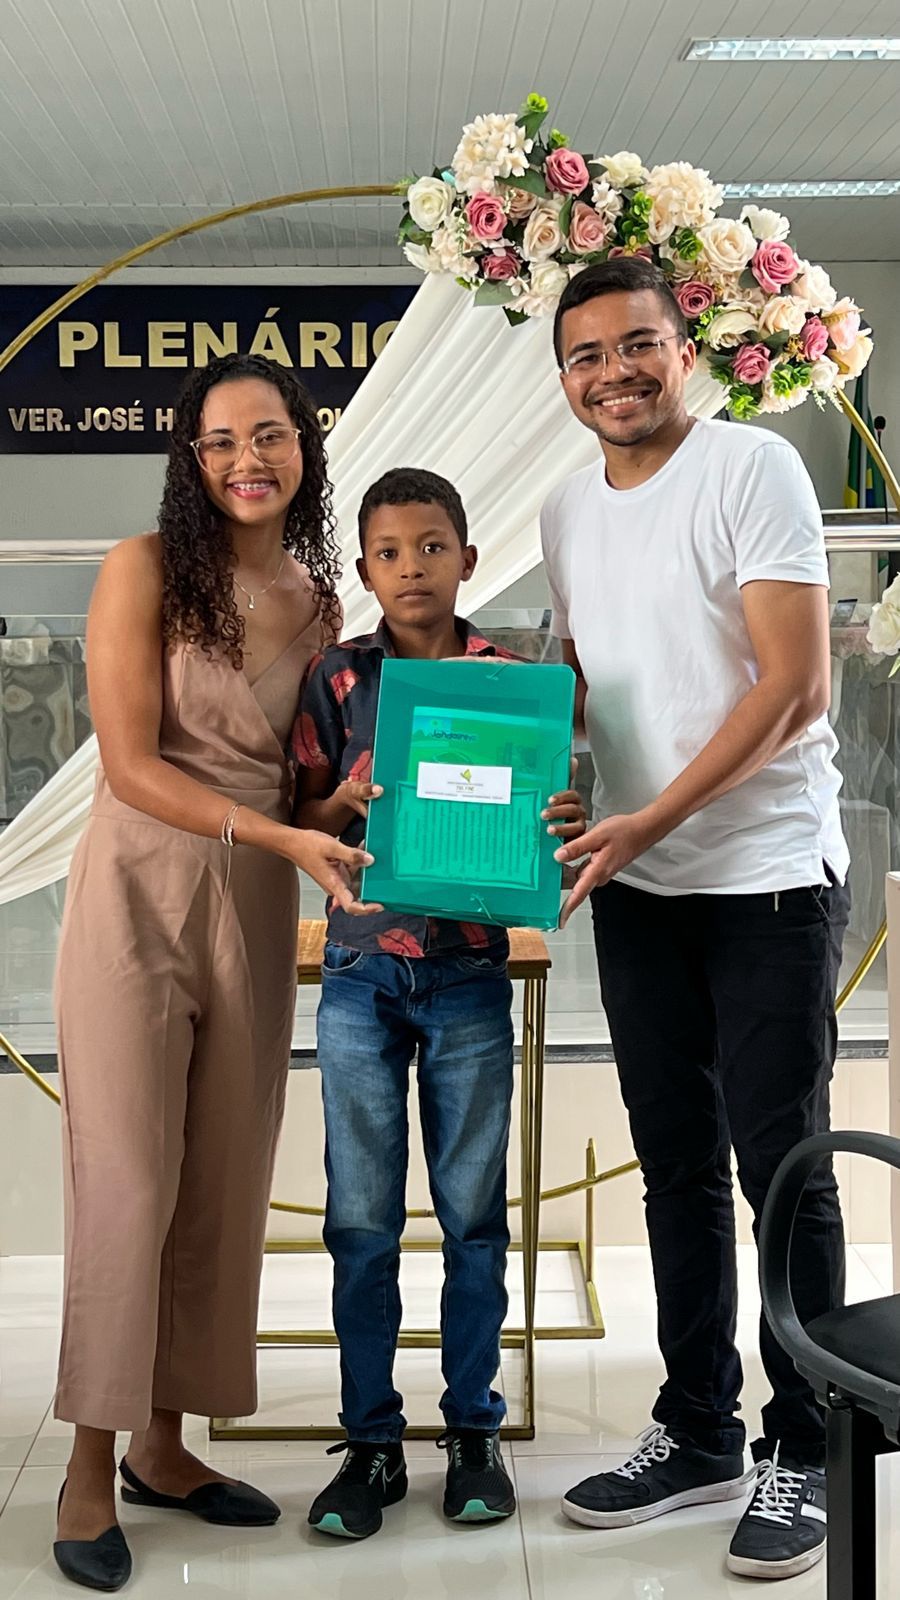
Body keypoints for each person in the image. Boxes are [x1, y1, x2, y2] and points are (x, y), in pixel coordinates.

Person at [543, 260, 849, 1583]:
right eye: (586, 354)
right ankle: (699, 1428)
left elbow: (797, 687)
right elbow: (584, 675)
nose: (613, 371)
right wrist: (527, 771)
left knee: (783, 1165)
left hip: (766, 877)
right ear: (563, 378)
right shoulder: (565, 506)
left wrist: (650, 817)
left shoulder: (752, 469)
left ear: (685, 349)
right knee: (672, 1164)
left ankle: (813, 1443)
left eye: (636, 344)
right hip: (640, 888)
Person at [52, 353, 376, 1592]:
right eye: (223, 440)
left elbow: (298, 787)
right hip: (138, 888)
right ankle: (89, 1464)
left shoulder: (321, 601)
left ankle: (165, 1443)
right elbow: (130, 765)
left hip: (253, 894)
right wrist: (286, 833)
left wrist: (343, 802)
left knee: (222, 1179)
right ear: (192, 460)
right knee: (127, 1181)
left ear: (305, 447)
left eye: (271, 434)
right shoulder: (141, 568)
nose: (249, 458)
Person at [292, 466, 585, 1539]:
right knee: (360, 1221)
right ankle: (370, 1440)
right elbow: (302, 813)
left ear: (468, 557)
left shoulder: (510, 682)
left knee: (473, 1217)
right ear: (363, 570)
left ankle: (473, 1432)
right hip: (360, 977)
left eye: (430, 547)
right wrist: (341, 802)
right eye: (387, 552)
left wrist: (558, 816)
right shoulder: (337, 676)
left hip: (467, 976)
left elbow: (543, 810)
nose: (410, 567)